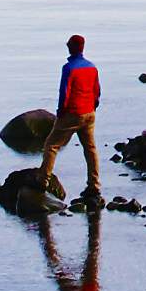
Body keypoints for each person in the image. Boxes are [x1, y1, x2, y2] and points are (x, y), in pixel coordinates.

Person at [52, 32, 105, 200]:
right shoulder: (92, 67)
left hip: (73, 113)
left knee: (51, 146)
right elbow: (97, 91)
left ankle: (43, 179)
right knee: (90, 149)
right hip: (89, 113)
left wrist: (61, 111)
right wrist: (93, 106)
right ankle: (94, 185)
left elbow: (65, 92)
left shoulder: (68, 68)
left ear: (71, 47)